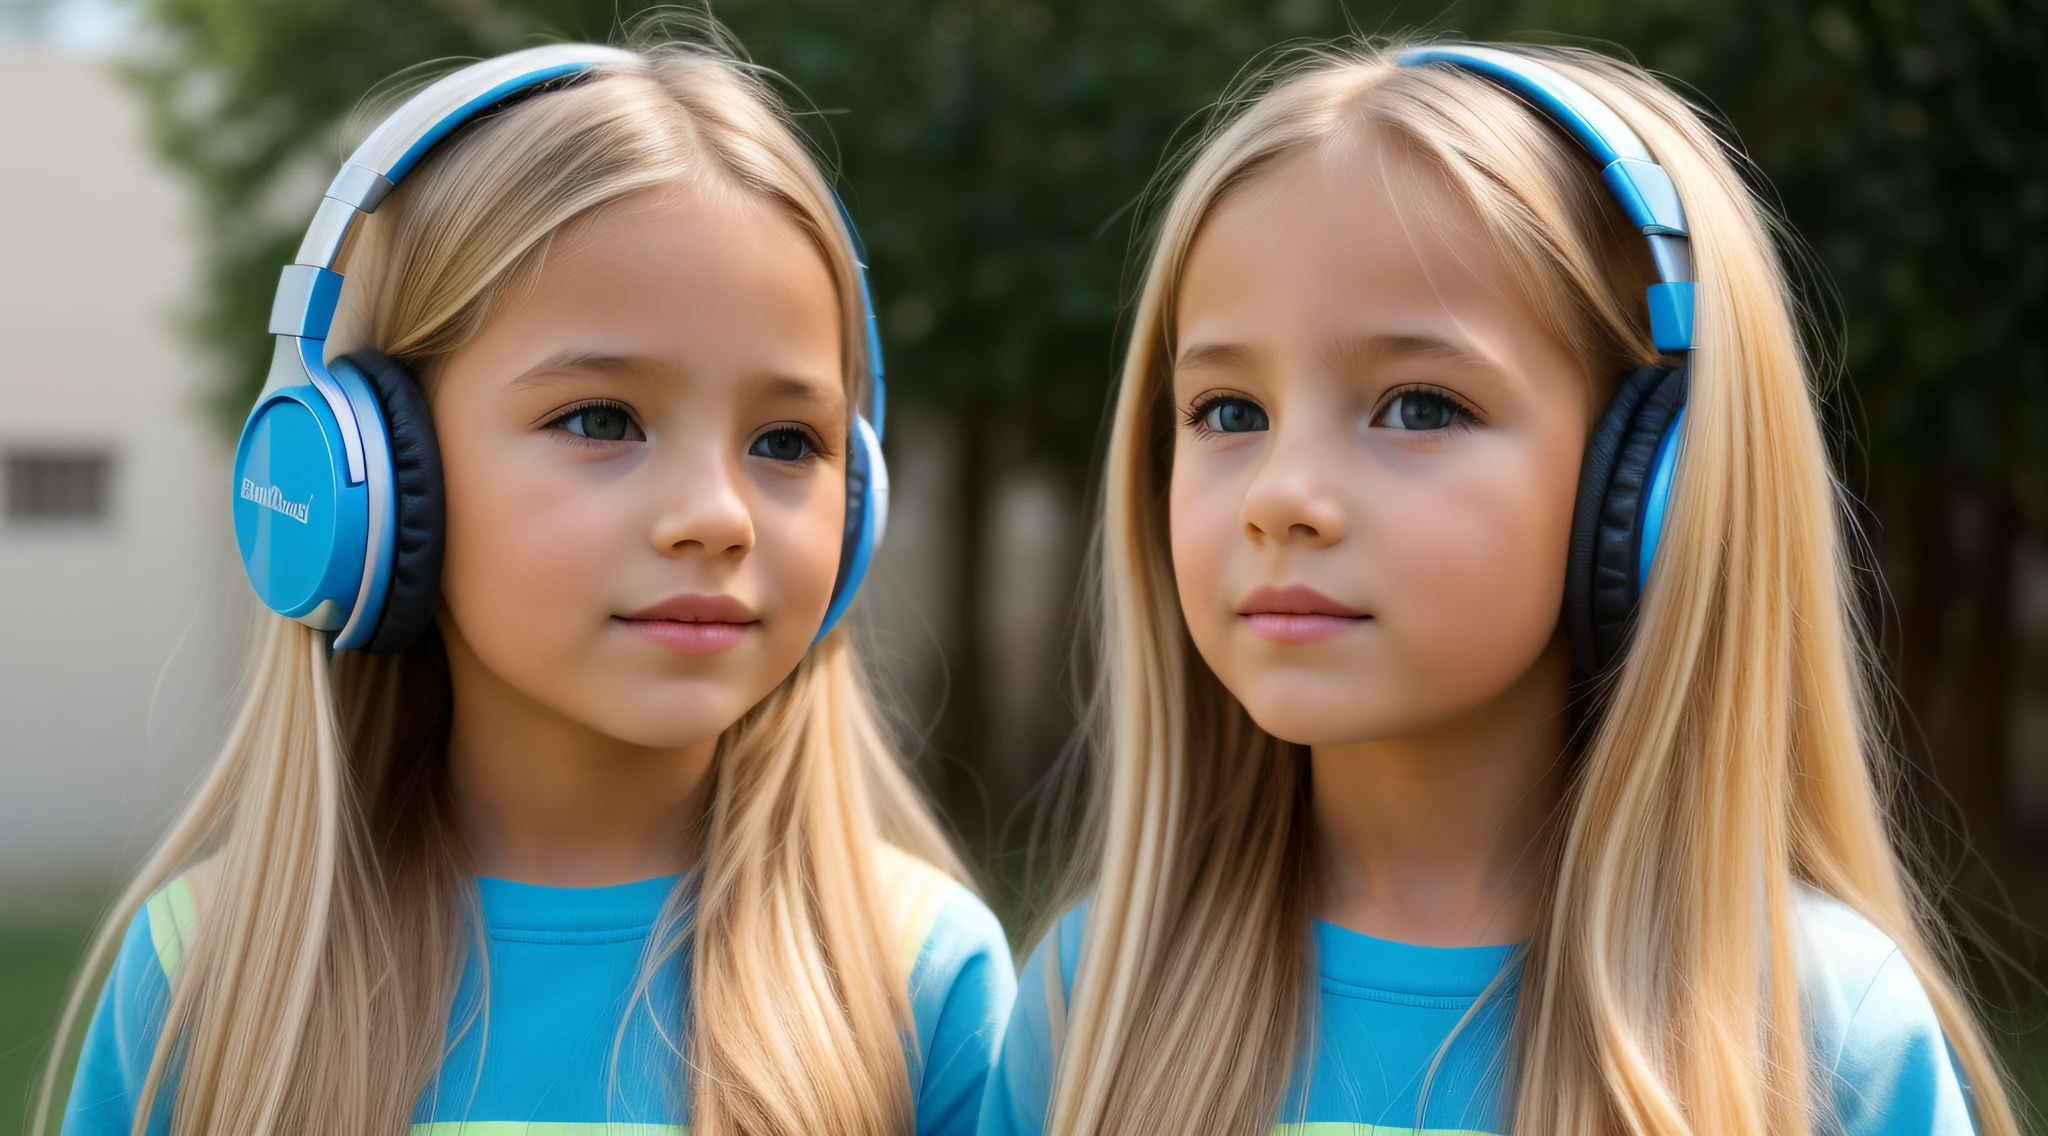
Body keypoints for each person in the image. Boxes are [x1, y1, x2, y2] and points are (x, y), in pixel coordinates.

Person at [979, 40, 2019, 1136]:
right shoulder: (1090, 999)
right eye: (1227, 411)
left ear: (1657, 480)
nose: (1280, 494)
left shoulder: (1818, 1033)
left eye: (1418, 406)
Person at [47, 29, 1011, 1136]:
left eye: (787, 440)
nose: (715, 515)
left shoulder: (920, 982)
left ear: (860, 499)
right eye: (601, 419)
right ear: (371, 478)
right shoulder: (204, 977)